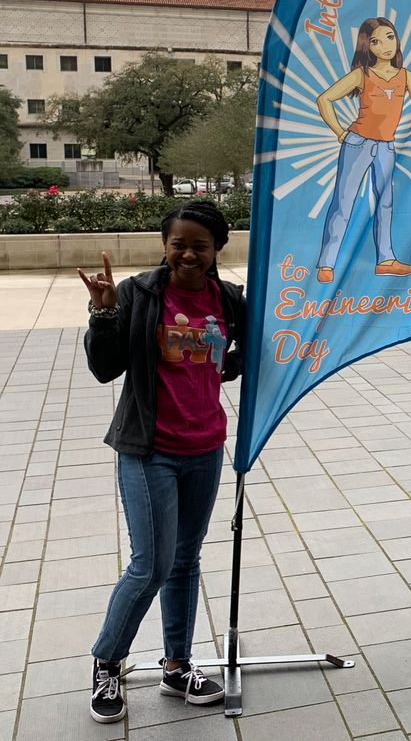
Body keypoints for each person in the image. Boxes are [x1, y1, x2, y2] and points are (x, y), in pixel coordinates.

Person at [80, 200, 245, 723]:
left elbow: (240, 358)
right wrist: (104, 314)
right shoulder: (138, 294)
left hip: (205, 448)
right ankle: (107, 661)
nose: (188, 254)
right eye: (179, 244)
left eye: (200, 245)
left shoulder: (229, 299)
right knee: (149, 564)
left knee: (184, 561)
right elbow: (105, 369)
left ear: (217, 249)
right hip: (149, 449)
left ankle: (177, 666)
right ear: (165, 245)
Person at [315, 15, 411, 284]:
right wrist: (341, 132)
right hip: (358, 143)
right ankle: (327, 263)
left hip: (386, 146)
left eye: (390, 37)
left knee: (385, 203)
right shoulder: (362, 74)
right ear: (369, 47)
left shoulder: (405, 75)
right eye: (376, 41)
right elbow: (324, 99)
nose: (386, 45)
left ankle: (386, 259)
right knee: (344, 202)